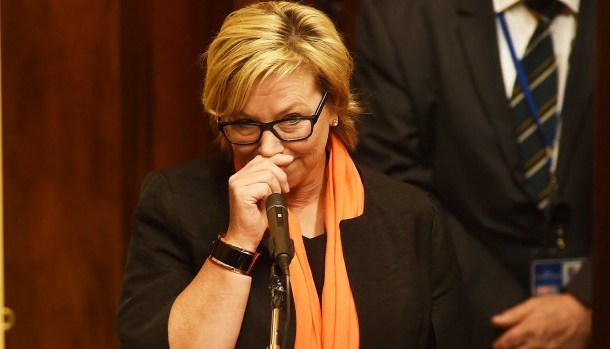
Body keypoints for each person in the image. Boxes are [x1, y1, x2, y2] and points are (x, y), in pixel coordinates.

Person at [116, 2, 470, 348]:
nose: (268, 148)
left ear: (335, 107)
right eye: (244, 124)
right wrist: (238, 243)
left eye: (290, 121)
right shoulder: (174, 204)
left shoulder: (410, 218)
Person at [352, 0, 593, 348]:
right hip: (467, 317)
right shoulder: (402, 18)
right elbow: (396, 184)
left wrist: (589, 301)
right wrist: (511, 321)